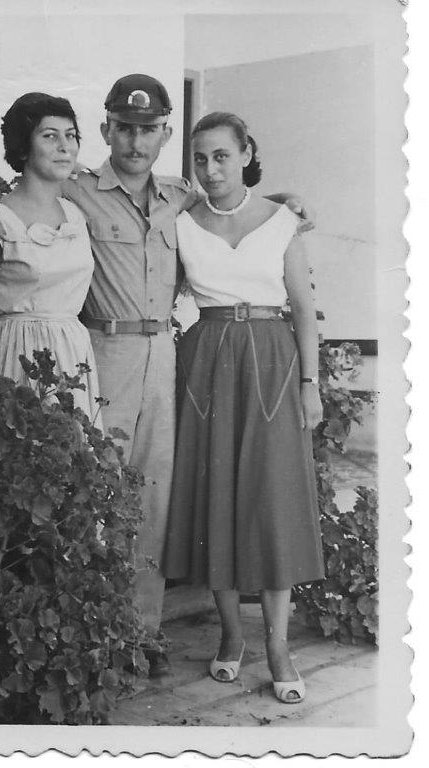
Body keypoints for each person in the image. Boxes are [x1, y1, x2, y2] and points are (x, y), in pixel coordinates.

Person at [0, 75, 314, 677]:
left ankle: (139, 635)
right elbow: (16, 186)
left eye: (148, 129)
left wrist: (286, 202)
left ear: (164, 135)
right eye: (123, 127)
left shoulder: (181, 195)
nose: (135, 139)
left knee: (154, 497)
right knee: (93, 492)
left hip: (169, 357)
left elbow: (237, 209)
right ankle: (84, 625)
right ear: (106, 131)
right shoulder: (76, 185)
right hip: (99, 351)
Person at [162, 112, 325, 703]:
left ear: (246, 152)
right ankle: (231, 637)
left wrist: (311, 384)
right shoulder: (180, 221)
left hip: (274, 361)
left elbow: (304, 308)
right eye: (200, 158)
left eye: (222, 156)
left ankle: (277, 646)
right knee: (218, 499)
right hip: (206, 360)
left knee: (272, 497)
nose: (210, 169)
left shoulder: (283, 221)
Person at [0, 92, 102, 425]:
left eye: (71, 136)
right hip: (16, 353)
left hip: (71, 352)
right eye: (50, 136)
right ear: (24, 146)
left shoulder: (77, 213)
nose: (64, 146)